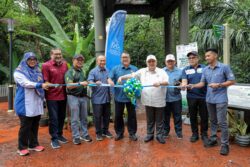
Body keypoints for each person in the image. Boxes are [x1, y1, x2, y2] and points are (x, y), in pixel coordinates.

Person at [190, 48, 235, 155]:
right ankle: (214, 139)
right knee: (213, 121)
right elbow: (202, 83)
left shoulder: (224, 67)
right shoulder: (205, 69)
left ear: (215, 56)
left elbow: (232, 81)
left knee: (222, 122)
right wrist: (193, 85)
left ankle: (225, 145)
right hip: (209, 99)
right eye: (206, 56)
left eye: (208, 56)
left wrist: (219, 84)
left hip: (221, 99)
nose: (206, 58)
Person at [118, 55, 168, 144]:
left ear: (156, 62)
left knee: (159, 120)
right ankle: (150, 134)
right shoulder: (142, 71)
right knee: (150, 119)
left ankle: (159, 135)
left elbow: (167, 82)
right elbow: (132, 75)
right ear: (147, 63)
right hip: (147, 100)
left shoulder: (162, 71)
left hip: (159, 100)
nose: (151, 63)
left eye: (153, 61)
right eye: (149, 62)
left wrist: (160, 83)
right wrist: (122, 77)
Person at [14, 52, 49, 156]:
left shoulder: (38, 70)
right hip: (24, 103)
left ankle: (33, 144)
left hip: (36, 102)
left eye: (34, 59)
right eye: (30, 59)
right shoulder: (19, 72)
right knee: (25, 126)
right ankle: (21, 147)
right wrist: (40, 85)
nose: (32, 61)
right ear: (25, 60)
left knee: (35, 125)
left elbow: (43, 82)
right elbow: (26, 83)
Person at [107, 52, 138, 141]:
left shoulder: (134, 69)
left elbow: (138, 80)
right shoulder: (115, 69)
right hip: (118, 97)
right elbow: (109, 77)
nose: (125, 59)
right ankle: (119, 133)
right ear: (121, 59)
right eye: (123, 57)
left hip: (131, 98)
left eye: (126, 57)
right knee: (118, 116)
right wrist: (110, 81)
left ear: (130, 58)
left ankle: (132, 133)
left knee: (132, 116)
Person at [42, 48, 68, 149]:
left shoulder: (65, 64)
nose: (58, 56)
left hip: (63, 95)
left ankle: (60, 134)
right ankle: (54, 139)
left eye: (60, 54)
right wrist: (54, 85)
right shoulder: (46, 65)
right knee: (54, 118)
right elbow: (46, 82)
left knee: (62, 117)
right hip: (51, 96)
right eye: (56, 54)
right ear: (51, 54)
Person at [65, 54, 92, 145]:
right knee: (75, 118)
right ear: (73, 60)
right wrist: (81, 83)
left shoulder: (82, 71)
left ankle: (85, 134)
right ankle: (76, 136)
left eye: (81, 60)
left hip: (83, 97)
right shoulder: (70, 72)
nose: (80, 61)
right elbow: (69, 86)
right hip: (73, 97)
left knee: (84, 117)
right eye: (78, 60)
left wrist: (88, 83)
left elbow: (86, 82)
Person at [181, 51, 208, 144]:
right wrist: (184, 85)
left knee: (204, 116)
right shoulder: (185, 69)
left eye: (193, 57)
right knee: (193, 116)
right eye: (189, 58)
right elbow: (184, 81)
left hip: (204, 96)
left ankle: (204, 134)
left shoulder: (205, 68)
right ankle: (195, 134)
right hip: (191, 96)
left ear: (198, 58)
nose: (191, 59)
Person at [87, 55, 113, 141]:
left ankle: (105, 131)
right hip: (97, 99)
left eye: (104, 61)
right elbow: (89, 82)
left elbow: (109, 78)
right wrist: (94, 82)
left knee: (107, 116)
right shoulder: (93, 71)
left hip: (107, 98)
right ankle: (98, 133)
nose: (102, 62)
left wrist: (110, 80)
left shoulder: (107, 70)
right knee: (97, 117)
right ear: (97, 61)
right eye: (101, 60)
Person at [162, 54, 183, 139]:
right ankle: (165, 131)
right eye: (168, 61)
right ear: (165, 62)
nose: (170, 62)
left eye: (172, 61)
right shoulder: (161, 71)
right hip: (164, 98)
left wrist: (181, 85)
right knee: (165, 116)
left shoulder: (180, 71)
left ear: (175, 62)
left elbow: (183, 83)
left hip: (176, 97)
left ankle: (178, 132)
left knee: (177, 116)